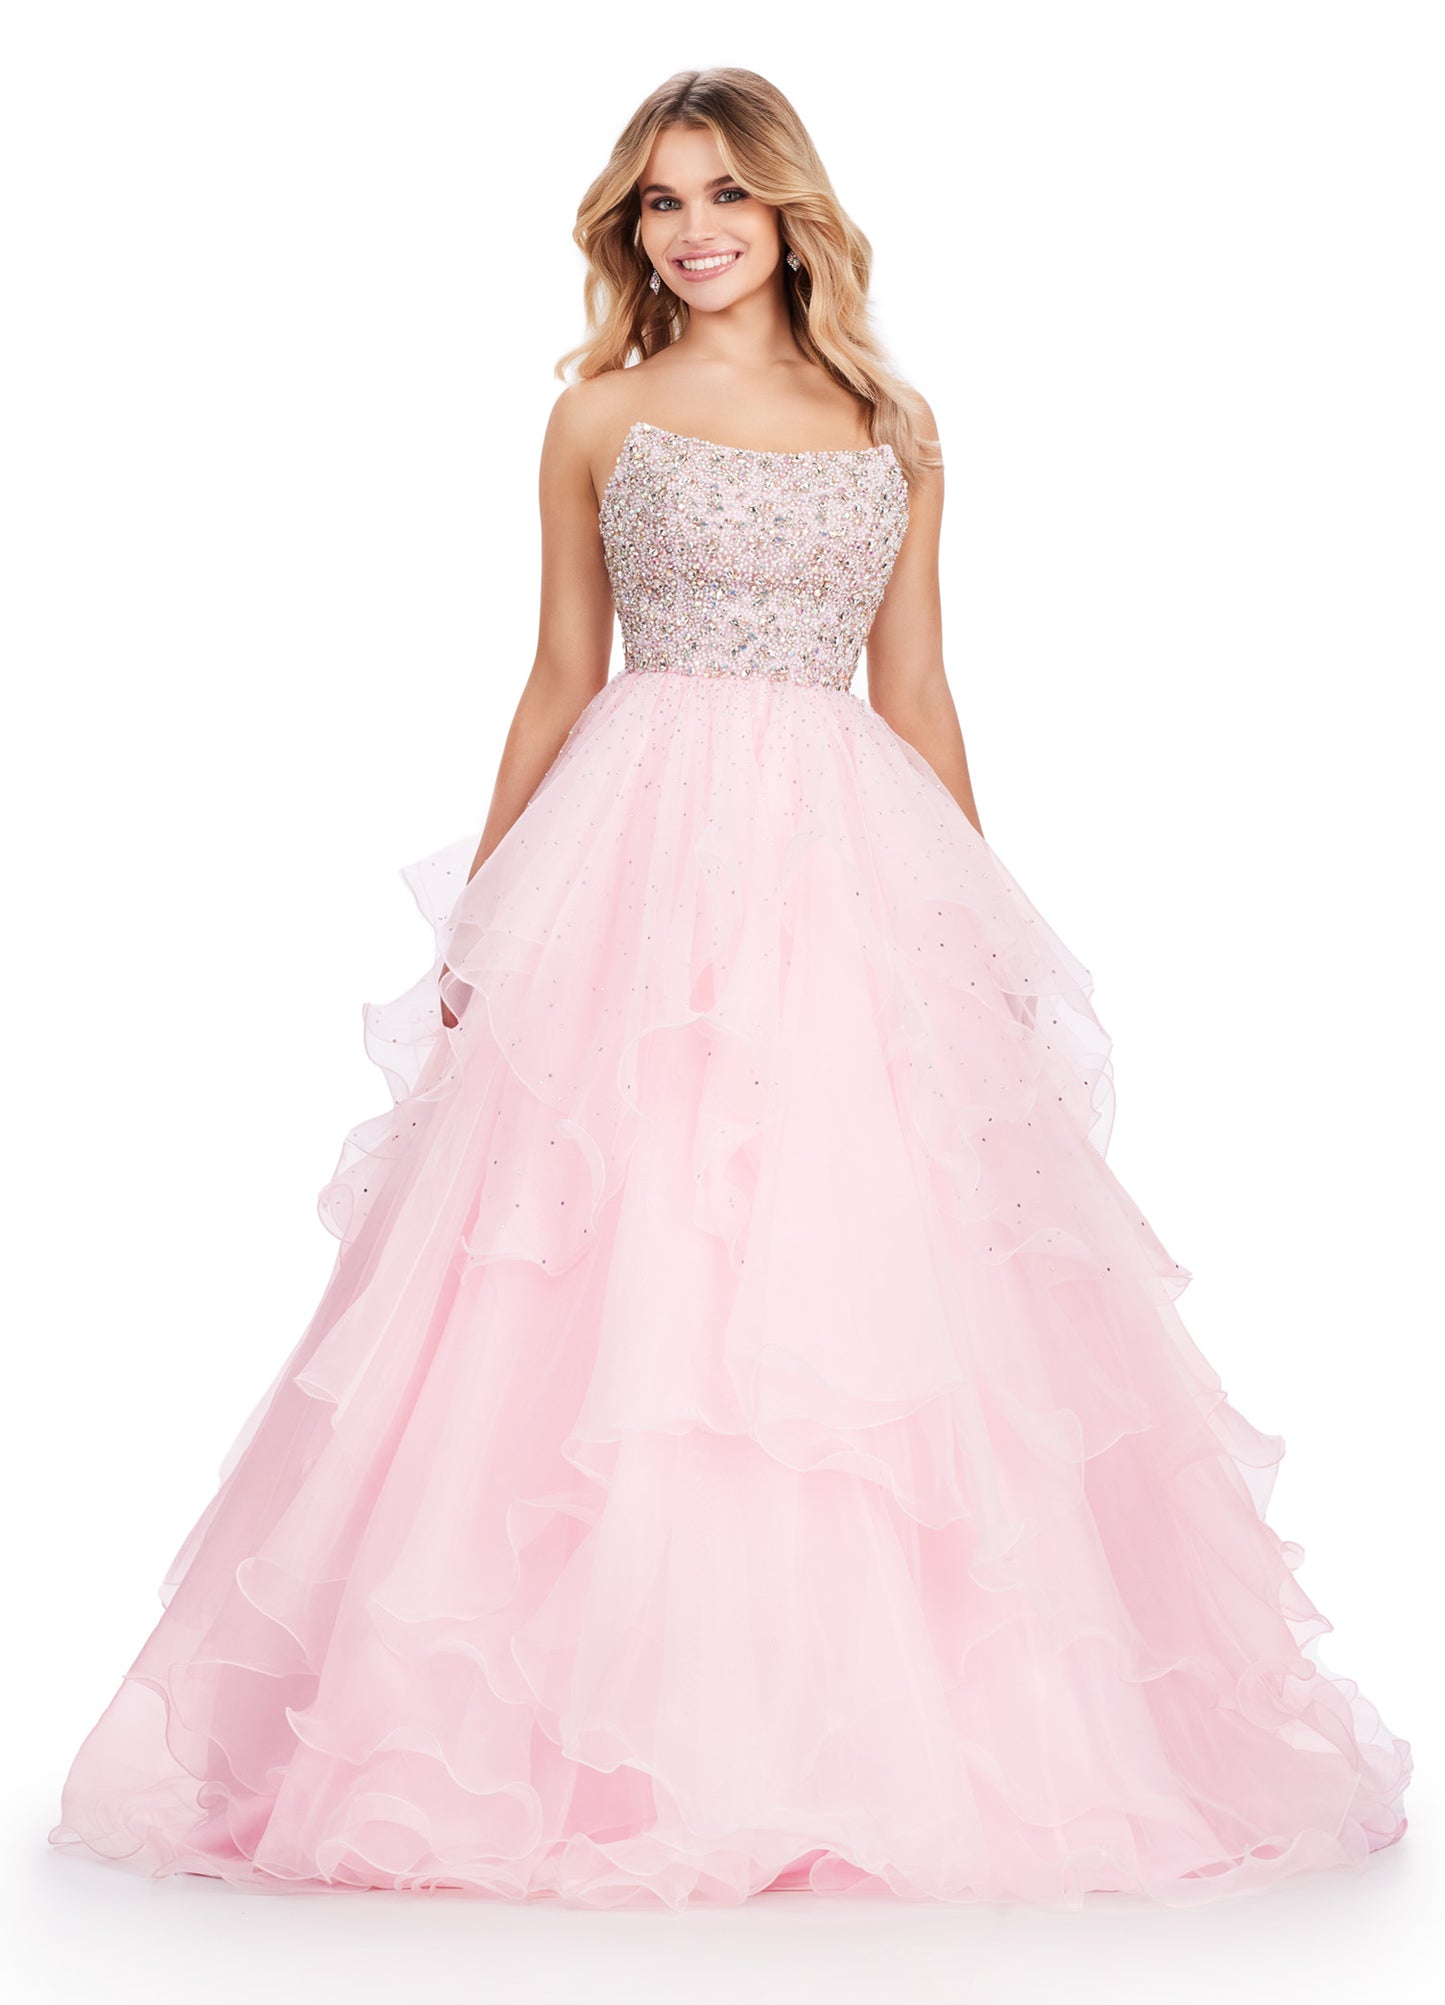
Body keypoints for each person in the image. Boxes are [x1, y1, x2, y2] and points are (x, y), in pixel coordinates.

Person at [48, 66, 1410, 1910]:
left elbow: (915, 688)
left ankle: (847, 1724)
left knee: (840, 1252)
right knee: (612, 1248)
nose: (692, 230)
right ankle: (584, 1724)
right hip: (633, 860)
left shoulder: (892, 426)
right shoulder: (597, 416)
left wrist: (984, 930)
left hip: (841, 867)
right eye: (661, 201)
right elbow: (557, 671)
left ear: (789, 216)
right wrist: (488, 918)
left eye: (724, 196)